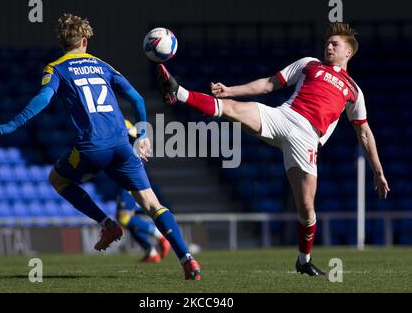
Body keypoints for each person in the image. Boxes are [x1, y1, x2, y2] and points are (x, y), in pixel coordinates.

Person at [156, 22, 390, 276]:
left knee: (307, 209)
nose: (329, 46)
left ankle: (304, 260)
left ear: (349, 53)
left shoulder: (354, 91)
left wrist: (377, 171)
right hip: (283, 117)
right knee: (232, 108)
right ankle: (178, 92)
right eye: (327, 43)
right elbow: (269, 84)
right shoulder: (310, 64)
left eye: (335, 44)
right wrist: (230, 90)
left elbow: (364, 132)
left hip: (308, 138)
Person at [0, 13, 200, 280]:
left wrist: (10, 125)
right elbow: (136, 98)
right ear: (85, 40)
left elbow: (43, 99)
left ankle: (107, 225)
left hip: (91, 148)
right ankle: (187, 260)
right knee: (151, 203)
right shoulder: (102, 65)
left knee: (58, 179)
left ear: (62, 41)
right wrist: (144, 134)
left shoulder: (56, 68)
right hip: (122, 145)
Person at [115, 120, 171, 263]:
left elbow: (136, 140)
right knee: (127, 216)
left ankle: (160, 235)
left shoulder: (122, 123)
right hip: (123, 172)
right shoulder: (117, 121)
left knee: (123, 217)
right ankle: (150, 251)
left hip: (129, 171)